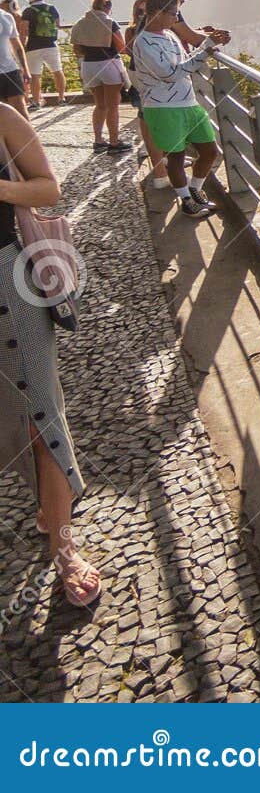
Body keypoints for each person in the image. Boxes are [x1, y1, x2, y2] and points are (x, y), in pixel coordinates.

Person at [0, 102, 99, 605]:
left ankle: (64, 547)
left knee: (41, 414)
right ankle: (48, 501)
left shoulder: (1, 117)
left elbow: (47, 188)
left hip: (8, 289)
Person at [129, 0, 224, 218]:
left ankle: (194, 190)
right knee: (176, 157)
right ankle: (186, 201)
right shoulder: (143, 42)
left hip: (188, 101)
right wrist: (207, 49)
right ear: (156, 13)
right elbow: (171, 73)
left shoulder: (170, 36)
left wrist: (208, 45)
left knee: (210, 150)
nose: (176, 18)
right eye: (173, 13)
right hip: (162, 107)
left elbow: (185, 62)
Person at [71, 0, 132, 154]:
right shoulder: (110, 23)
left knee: (100, 105)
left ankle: (98, 140)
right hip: (109, 64)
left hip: (88, 66)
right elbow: (121, 47)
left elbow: (77, 50)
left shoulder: (80, 23)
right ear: (108, 8)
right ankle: (114, 142)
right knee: (113, 106)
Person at [127, 0, 166, 184]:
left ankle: (161, 160)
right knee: (148, 114)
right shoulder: (142, 31)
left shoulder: (140, 29)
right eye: (141, 11)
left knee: (149, 114)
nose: (144, 14)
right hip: (144, 75)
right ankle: (160, 170)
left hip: (144, 74)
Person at [155, 0, 230, 52]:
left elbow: (183, 32)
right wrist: (218, 38)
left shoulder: (161, 4)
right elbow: (193, 39)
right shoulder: (167, 7)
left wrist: (205, 32)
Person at [19, 0, 65, 111]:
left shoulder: (28, 11)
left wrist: (22, 46)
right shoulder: (51, 8)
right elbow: (58, 25)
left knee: (35, 75)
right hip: (51, 45)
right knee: (57, 71)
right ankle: (61, 98)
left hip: (34, 46)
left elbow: (24, 30)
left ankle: (36, 101)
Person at [0, 3, 30, 119]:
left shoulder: (6, 16)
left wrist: (25, 69)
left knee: (21, 112)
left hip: (11, 70)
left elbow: (17, 45)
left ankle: (28, 137)